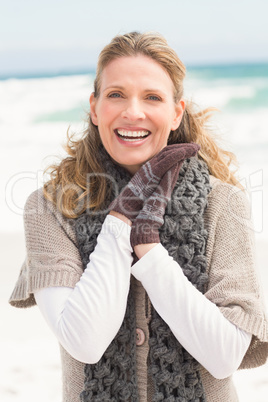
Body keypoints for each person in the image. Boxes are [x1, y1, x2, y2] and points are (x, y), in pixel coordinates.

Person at [9, 31, 268, 402]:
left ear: (176, 112)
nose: (133, 111)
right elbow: (86, 342)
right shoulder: (50, 207)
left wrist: (148, 246)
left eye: (152, 97)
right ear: (95, 108)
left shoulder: (223, 204)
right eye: (116, 94)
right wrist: (120, 220)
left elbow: (225, 356)